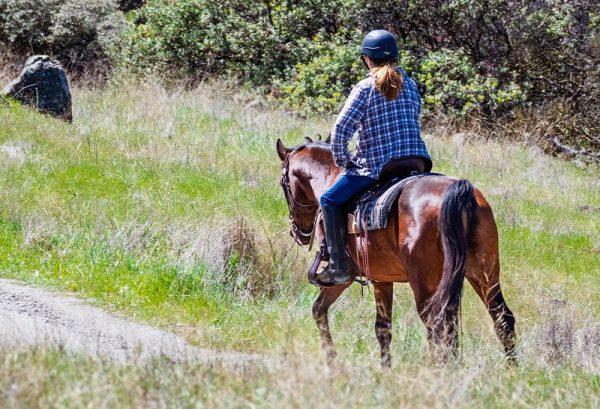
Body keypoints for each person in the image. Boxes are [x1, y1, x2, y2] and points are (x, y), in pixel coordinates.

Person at [315, 29, 433, 287]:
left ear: (367, 59)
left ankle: (338, 266)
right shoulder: (410, 83)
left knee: (329, 199)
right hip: (416, 162)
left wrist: (343, 160)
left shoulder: (365, 87)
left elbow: (341, 130)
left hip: (379, 167)